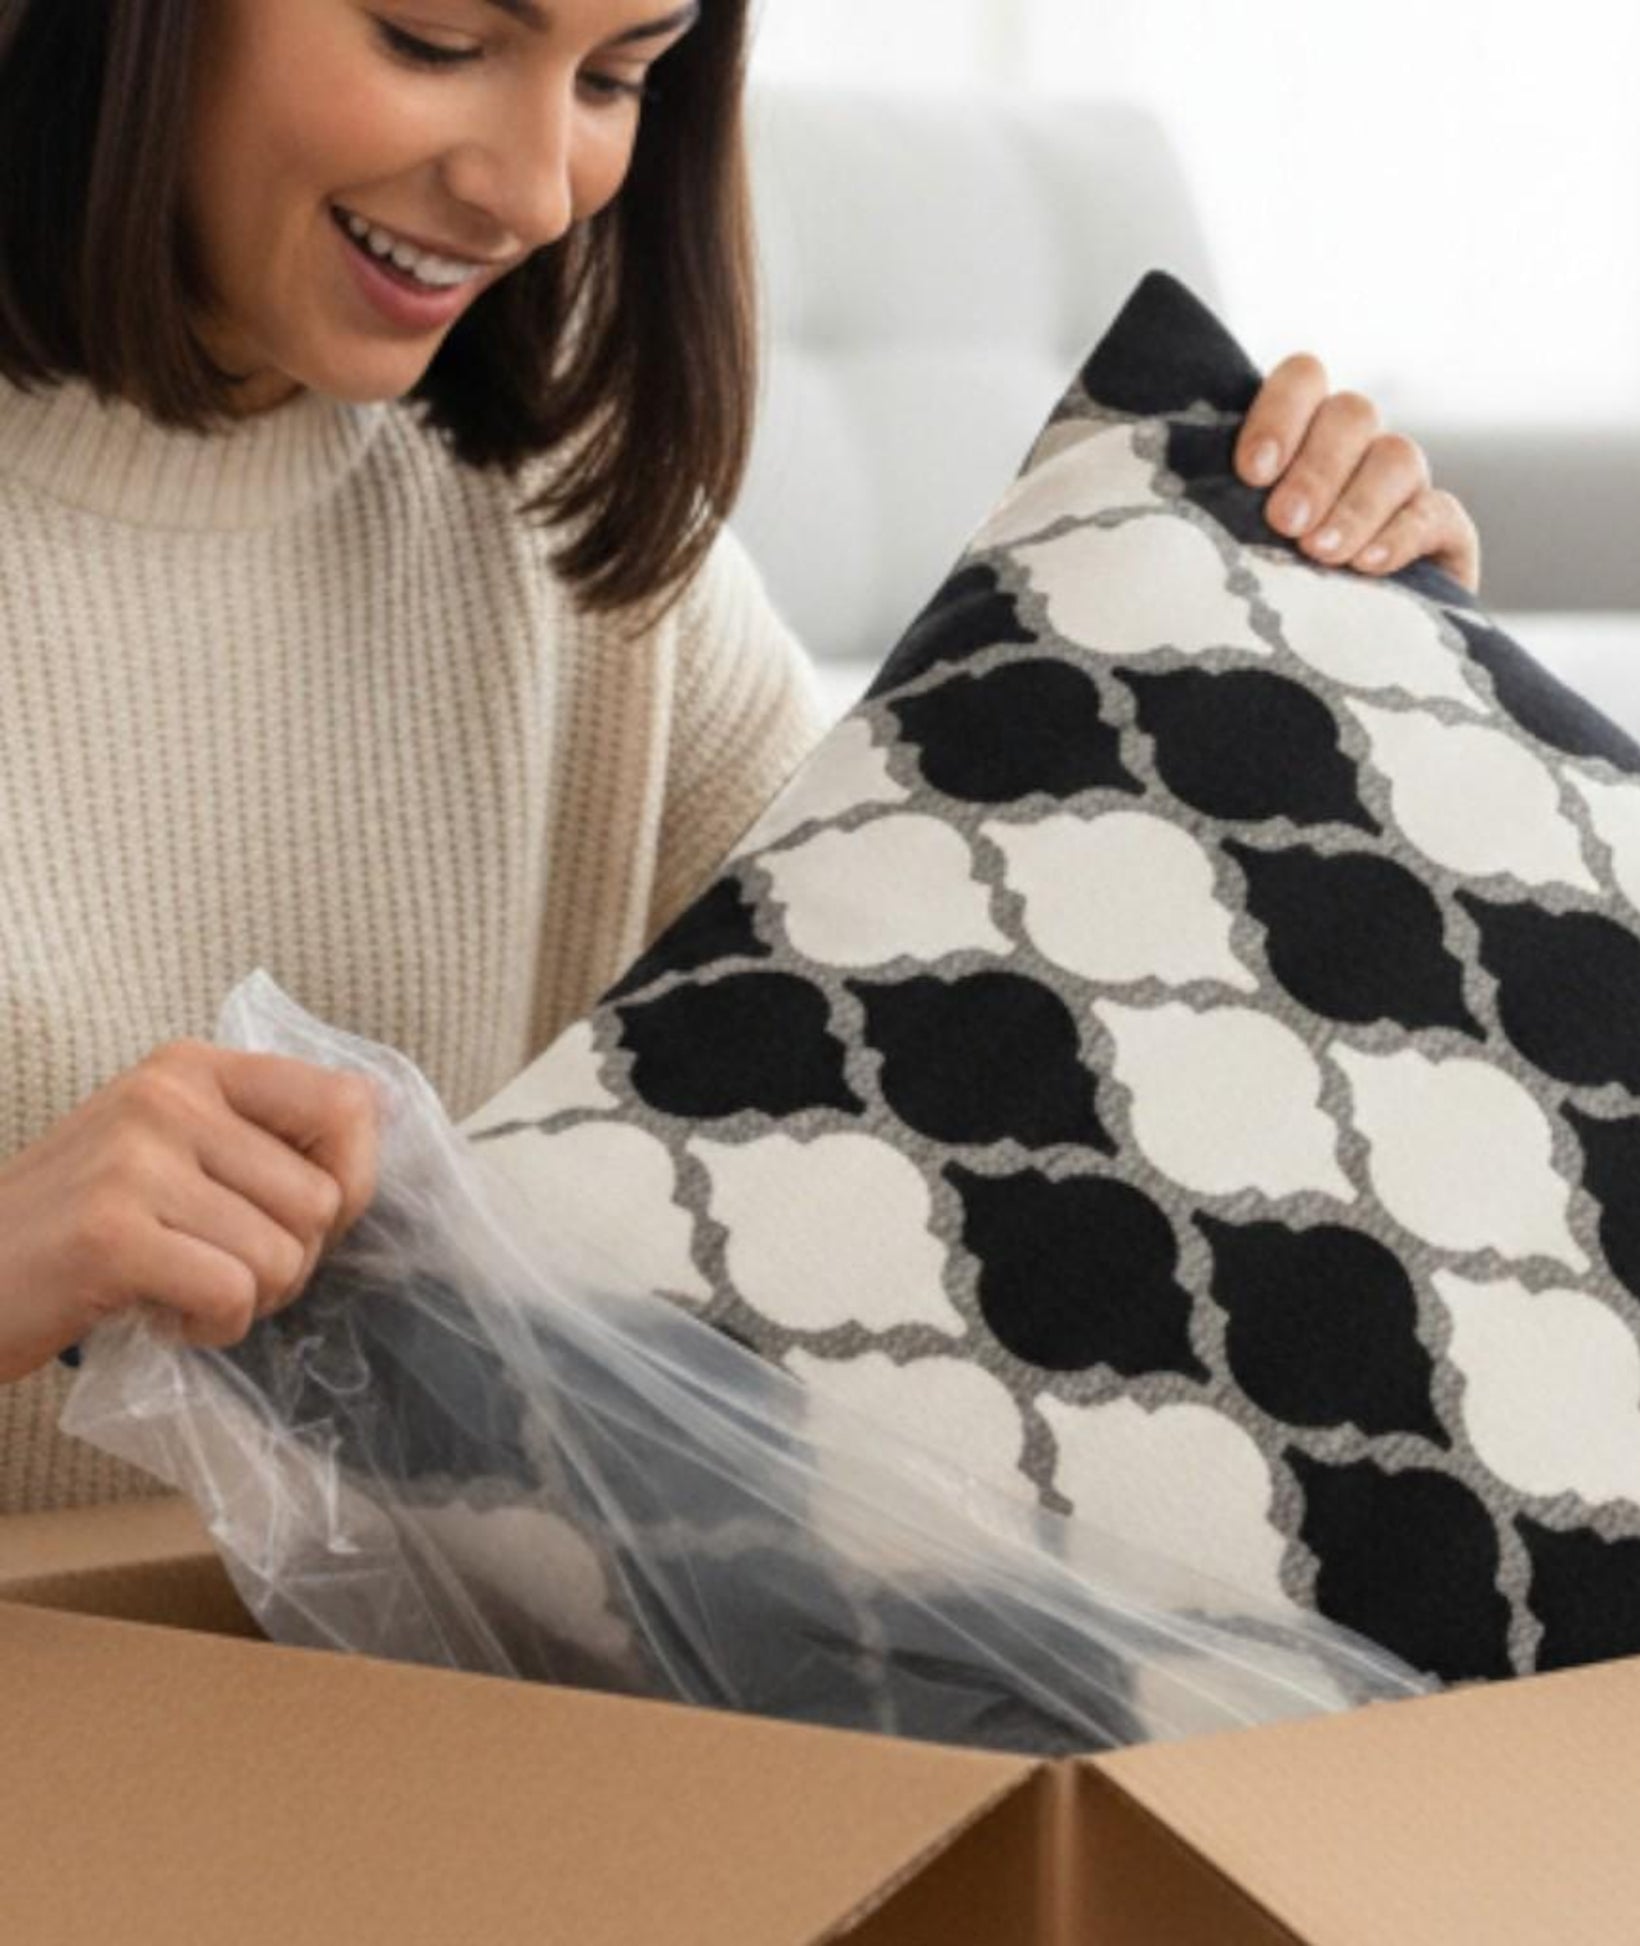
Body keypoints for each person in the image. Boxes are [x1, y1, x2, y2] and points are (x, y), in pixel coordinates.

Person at [0, 0, 1483, 1516]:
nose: (531, 188)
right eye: (432, 40)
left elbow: (992, 1075)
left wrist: (1333, 680)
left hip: (465, 1721)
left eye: (615, 77)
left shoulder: (554, 516)